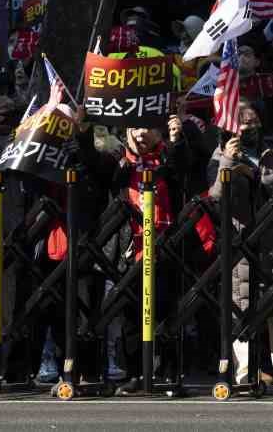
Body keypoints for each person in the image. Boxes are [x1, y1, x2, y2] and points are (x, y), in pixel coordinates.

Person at [79, 113, 193, 395]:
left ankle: (168, 375)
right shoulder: (117, 159)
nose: (141, 134)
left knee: (167, 313)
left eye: (149, 128)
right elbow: (93, 163)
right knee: (130, 315)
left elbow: (184, 165)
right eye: (135, 128)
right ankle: (135, 374)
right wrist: (83, 133)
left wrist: (178, 139)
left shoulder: (168, 157)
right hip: (129, 249)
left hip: (165, 247)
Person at [207, 101, 273, 393]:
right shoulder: (218, 158)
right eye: (243, 127)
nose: (250, 131)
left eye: (254, 125)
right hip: (239, 244)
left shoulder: (272, 157)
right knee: (240, 306)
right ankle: (245, 375)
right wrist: (227, 163)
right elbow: (215, 198)